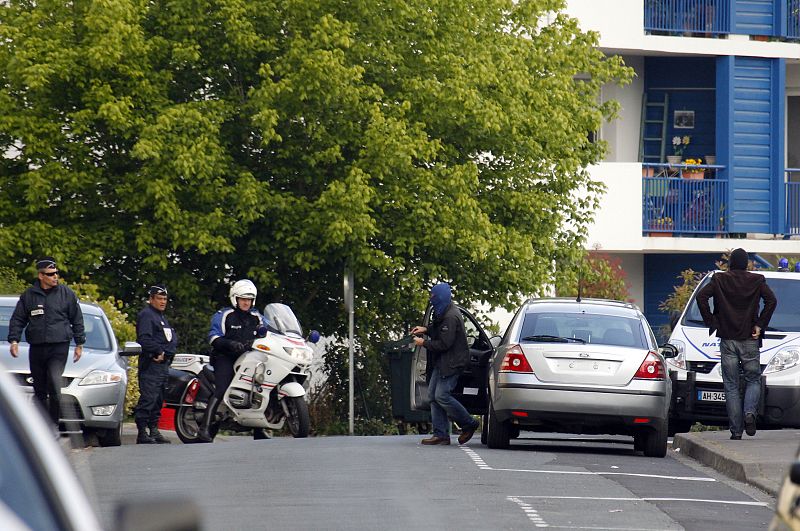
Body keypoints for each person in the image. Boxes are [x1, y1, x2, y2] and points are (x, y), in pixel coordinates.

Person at [696, 248, 777, 440]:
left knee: (731, 385)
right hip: (750, 338)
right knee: (753, 379)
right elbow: (772, 301)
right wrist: (759, 324)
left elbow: (701, 297)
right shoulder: (757, 280)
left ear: (730, 263)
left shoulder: (719, 279)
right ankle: (750, 412)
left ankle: (736, 431)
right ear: (747, 263)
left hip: (727, 339)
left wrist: (711, 321)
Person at [7, 257, 85, 426]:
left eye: (56, 273)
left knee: (54, 383)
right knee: (39, 389)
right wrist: (14, 340)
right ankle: (42, 425)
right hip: (37, 347)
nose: (55, 277)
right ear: (41, 276)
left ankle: (53, 424)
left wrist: (79, 343)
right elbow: (18, 319)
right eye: (50, 274)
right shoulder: (29, 296)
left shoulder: (66, 294)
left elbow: (77, 319)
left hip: (59, 346)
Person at [411, 282, 480, 446]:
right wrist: (425, 329)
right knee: (433, 396)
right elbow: (438, 328)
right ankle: (441, 434)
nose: (431, 300)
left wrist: (423, 343)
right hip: (442, 362)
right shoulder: (444, 310)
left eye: (433, 297)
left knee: (441, 395)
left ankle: (469, 423)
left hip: (452, 363)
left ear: (440, 297)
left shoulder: (450, 316)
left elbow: (444, 344)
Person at [198, 279, 265, 443]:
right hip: (225, 357)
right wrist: (230, 344)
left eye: (249, 299)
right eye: (243, 299)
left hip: (249, 358)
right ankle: (204, 429)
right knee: (221, 389)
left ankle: (259, 430)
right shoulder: (225, 315)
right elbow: (213, 337)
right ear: (235, 299)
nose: (246, 302)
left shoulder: (257, 317)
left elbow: (269, 333)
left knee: (258, 390)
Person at [133, 285, 178, 444]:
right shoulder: (147, 315)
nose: (162, 302)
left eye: (165, 299)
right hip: (151, 364)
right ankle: (142, 432)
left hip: (163, 365)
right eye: (159, 298)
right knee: (149, 398)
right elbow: (144, 339)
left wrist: (168, 353)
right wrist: (159, 351)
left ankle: (153, 430)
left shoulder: (161, 318)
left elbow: (169, 339)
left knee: (159, 399)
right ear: (151, 299)